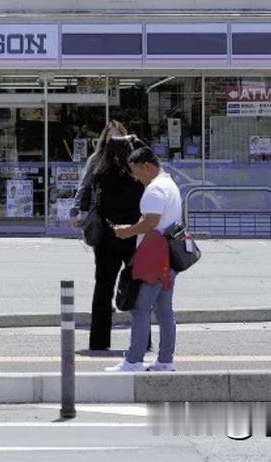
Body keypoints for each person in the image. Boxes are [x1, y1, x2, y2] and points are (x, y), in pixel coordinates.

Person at [107, 147, 183, 372]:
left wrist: (126, 231)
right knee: (164, 309)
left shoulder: (155, 190)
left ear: (147, 167)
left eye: (136, 172)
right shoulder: (170, 185)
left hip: (153, 257)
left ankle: (134, 360)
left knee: (140, 308)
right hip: (169, 256)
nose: (135, 177)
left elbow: (151, 222)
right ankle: (165, 360)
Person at [79, 133, 150, 352]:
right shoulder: (136, 176)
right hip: (132, 236)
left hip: (107, 237)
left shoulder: (102, 174)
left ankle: (99, 342)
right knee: (138, 289)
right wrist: (136, 140)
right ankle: (143, 340)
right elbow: (149, 155)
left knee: (103, 289)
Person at [70, 121, 129, 229]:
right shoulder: (96, 159)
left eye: (117, 135)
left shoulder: (130, 159)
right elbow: (84, 185)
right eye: (110, 135)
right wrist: (74, 210)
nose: (114, 138)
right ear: (105, 138)